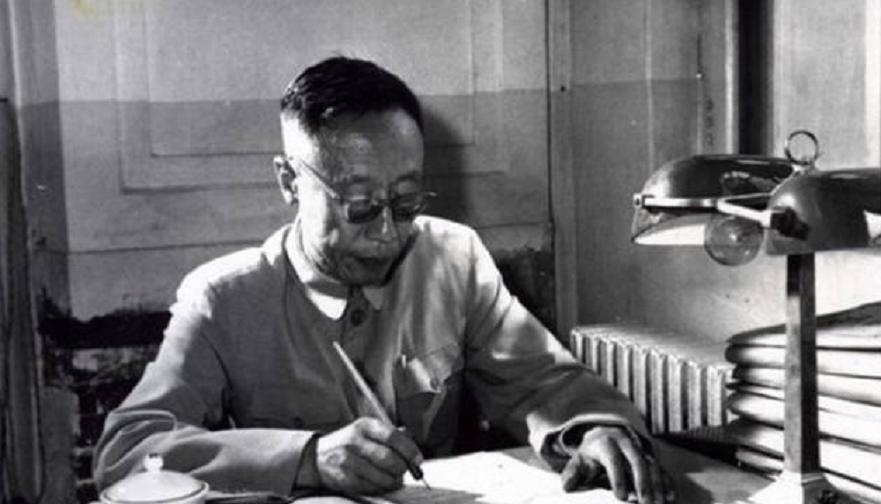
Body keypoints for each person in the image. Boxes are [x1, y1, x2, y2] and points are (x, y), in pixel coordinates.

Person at [93, 56, 670, 503]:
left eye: (407, 200)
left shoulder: (453, 259)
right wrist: (305, 458)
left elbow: (542, 381)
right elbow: (128, 450)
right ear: (290, 182)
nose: (388, 233)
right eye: (361, 205)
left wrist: (591, 429)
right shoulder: (225, 298)